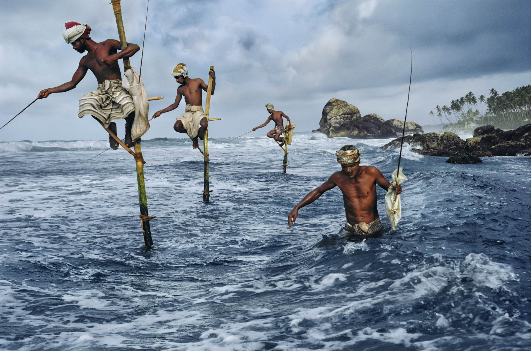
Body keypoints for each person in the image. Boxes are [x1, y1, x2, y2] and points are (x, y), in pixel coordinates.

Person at [38, 22, 140, 148]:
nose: (74, 47)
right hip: (102, 91)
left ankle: (128, 132)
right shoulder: (85, 60)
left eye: (74, 43)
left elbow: (134, 47)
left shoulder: (107, 44)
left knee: (130, 107)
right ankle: (110, 127)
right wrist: (50, 90)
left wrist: (115, 57)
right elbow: (72, 83)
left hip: (118, 87)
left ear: (82, 38)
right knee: (86, 103)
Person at [287, 145, 402, 239]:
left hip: (373, 227)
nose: (348, 170)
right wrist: (297, 207)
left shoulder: (371, 172)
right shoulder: (338, 177)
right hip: (351, 229)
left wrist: (395, 188)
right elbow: (318, 191)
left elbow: (389, 187)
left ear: (358, 162)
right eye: (344, 166)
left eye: (351, 166)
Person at [151, 63, 216, 149]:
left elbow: (211, 92)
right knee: (177, 127)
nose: (176, 80)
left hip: (198, 111)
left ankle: (199, 136)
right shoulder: (180, 89)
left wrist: (213, 79)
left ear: (184, 74)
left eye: (178, 77)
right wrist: (161, 111)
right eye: (175, 78)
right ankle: (194, 137)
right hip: (188, 112)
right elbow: (175, 105)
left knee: (204, 124)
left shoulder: (197, 81)